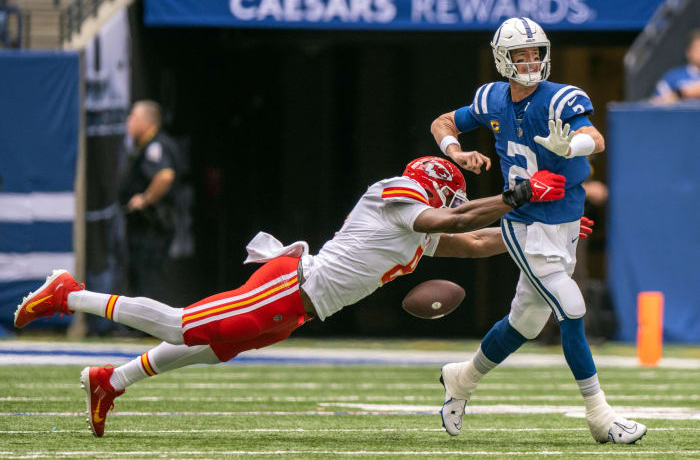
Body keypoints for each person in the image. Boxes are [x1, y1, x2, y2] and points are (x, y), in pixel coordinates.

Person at [14, 156, 568, 438]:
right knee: (186, 327)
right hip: (291, 284)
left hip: (304, 306)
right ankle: (71, 293)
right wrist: (517, 194)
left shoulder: (421, 230)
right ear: (440, 185)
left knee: (213, 347)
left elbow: (473, 241)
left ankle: (112, 379)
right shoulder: (400, 197)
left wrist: (545, 231)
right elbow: (454, 216)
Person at [430, 18, 646, 444]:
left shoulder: (560, 99)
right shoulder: (491, 98)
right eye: (519, 55)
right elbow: (443, 122)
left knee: (525, 323)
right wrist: (456, 152)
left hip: (562, 221)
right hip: (523, 221)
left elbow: (594, 138)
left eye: (535, 54)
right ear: (502, 59)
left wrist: (572, 147)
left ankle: (462, 378)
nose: (529, 62)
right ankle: (599, 416)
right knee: (572, 308)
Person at [119, 100, 179, 299]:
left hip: (153, 225)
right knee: (139, 272)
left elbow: (165, 176)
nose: (128, 121)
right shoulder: (142, 147)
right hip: (142, 227)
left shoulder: (156, 146)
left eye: (133, 117)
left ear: (147, 121)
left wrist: (144, 199)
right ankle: (137, 326)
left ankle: (148, 327)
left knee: (149, 274)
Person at [652, 29, 700, 104]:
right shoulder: (673, 76)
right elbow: (656, 101)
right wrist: (683, 93)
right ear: (689, 52)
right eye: (698, 49)